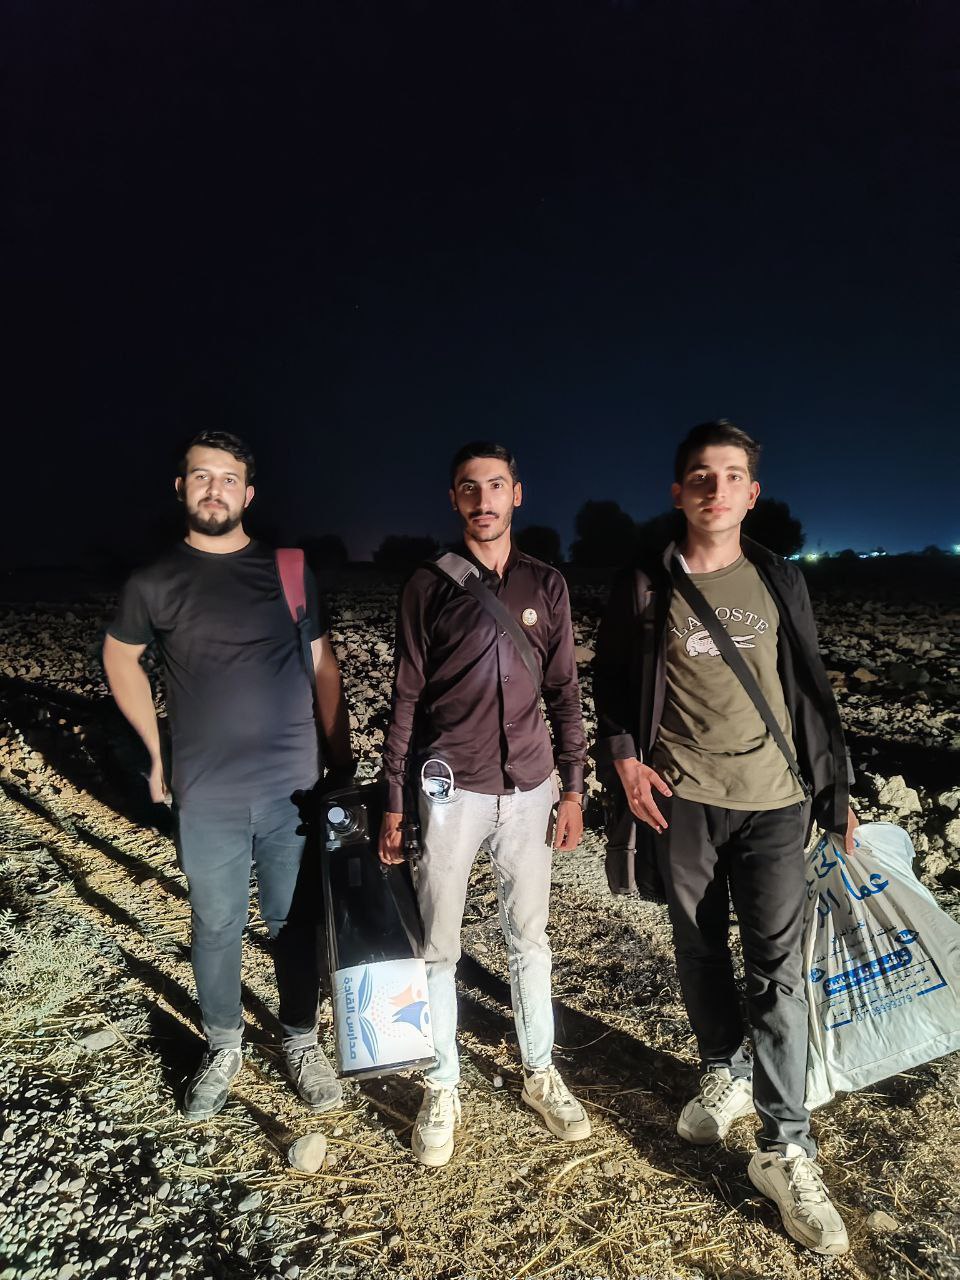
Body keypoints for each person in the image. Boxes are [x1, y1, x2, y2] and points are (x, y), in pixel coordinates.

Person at [593, 420, 857, 1256]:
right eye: (701, 476)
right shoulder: (645, 584)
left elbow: (809, 689)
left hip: (775, 802)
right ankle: (723, 1068)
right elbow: (612, 685)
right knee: (699, 947)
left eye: (732, 476)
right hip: (684, 802)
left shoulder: (778, 578)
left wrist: (835, 790)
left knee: (777, 972)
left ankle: (785, 1147)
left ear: (751, 493)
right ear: (678, 492)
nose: (716, 489)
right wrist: (624, 759)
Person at [103, 430, 353, 1121]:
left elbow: (322, 666)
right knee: (215, 925)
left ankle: (300, 1039)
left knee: (293, 924)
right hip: (207, 791)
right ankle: (223, 1045)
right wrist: (156, 752)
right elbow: (120, 657)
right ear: (180, 487)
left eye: (228, 478)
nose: (214, 489)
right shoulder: (153, 582)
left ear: (248, 494)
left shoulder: (289, 570)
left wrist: (340, 762)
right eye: (201, 475)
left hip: (291, 789)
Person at [378, 441, 591, 1167]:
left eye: (495, 486)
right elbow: (406, 695)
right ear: (454, 499)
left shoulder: (547, 585)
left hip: (531, 788)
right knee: (438, 944)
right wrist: (394, 798)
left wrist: (573, 786)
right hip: (451, 790)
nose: (483, 500)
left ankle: (541, 1071)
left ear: (517, 494)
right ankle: (443, 1083)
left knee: (528, 937)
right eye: (469, 488)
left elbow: (564, 692)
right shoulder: (427, 586)